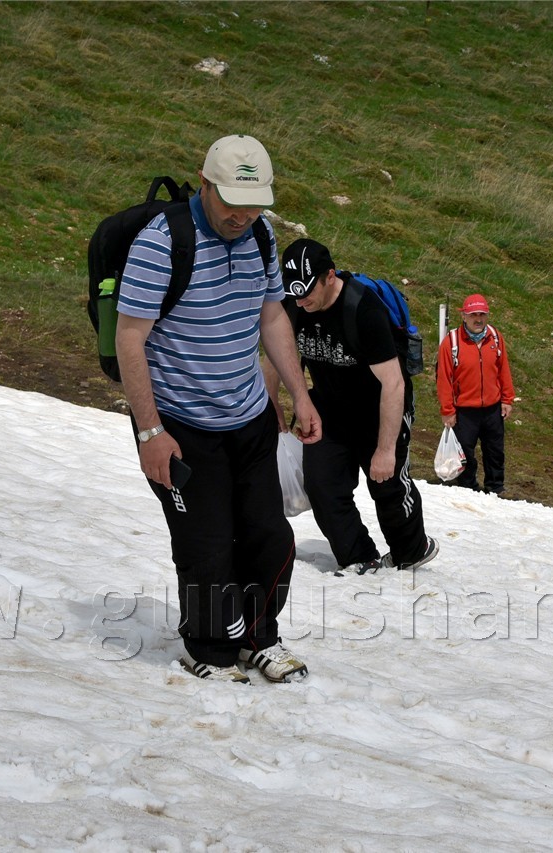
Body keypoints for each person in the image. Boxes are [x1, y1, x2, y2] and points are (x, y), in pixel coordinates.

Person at [115, 134, 322, 684]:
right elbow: (130, 338)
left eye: (254, 203)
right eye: (231, 200)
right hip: (181, 427)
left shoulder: (260, 234)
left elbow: (272, 316)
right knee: (207, 546)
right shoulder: (162, 243)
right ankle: (209, 648)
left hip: (250, 417)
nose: (243, 214)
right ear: (204, 184)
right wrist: (149, 431)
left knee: (270, 538)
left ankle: (259, 638)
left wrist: (298, 394)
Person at [269, 238, 438, 576]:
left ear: (329, 276)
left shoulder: (363, 309)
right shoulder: (292, 305)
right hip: (329, 409)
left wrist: (386, 449)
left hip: (379, 409)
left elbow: (394, 384)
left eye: (307, 292)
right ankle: (358, 556)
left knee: (386, 483)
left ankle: (412, 550)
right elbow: (273, 363)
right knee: (321, 484)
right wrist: (278, 420)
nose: (301, 301)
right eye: (294, 293)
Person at [435, 294, 516, 495]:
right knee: (465, 453)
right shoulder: (451, 342)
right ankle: (468, 489)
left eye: (482, 314)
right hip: (464, 411)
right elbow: (444, 379)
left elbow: (503, 369)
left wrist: (507, 399)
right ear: (463, 316)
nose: (478, 319)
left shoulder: (495, 337)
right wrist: (447, 410)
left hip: (493, 408)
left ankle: (496, 488)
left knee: (495, 452)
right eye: (473, 315)